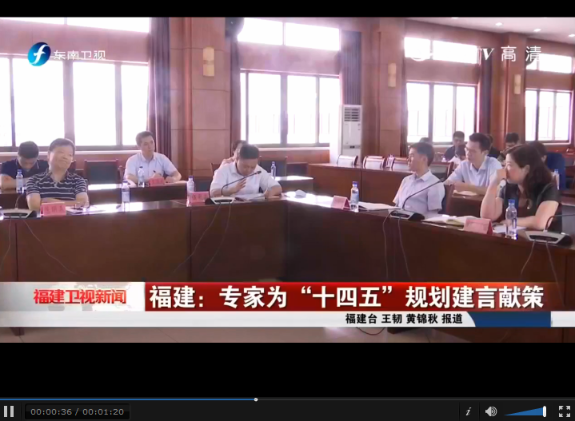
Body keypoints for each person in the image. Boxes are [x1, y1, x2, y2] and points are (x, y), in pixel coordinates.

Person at [481, 144, 561, 232]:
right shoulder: (508, 188)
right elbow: (487, 216)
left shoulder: (549, 189)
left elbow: (541, 223)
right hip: (513, 238)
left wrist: (511, 221)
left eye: (509, 165)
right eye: (504, 165)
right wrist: (494, 183)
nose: (505, 170)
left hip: (542, 239)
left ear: (526, 169)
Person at [26, 138, 89, 211]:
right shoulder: (34, 180)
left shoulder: (78, 181)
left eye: (70, 155)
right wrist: (72, 204)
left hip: (71, 218)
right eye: (61, 152)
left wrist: (49, 202)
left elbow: (83, 203)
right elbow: (35, 207)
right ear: (49, 154)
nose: (65, 157)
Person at [210, 145, 282, 198]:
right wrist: (229, 191)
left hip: (252, 208)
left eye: (252, 167)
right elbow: (213, 192)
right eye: (245, 166)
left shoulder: (258, 170)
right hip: (229, 209)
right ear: (237, 159)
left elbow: (277, 187)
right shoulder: (223, 170)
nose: (249, 170)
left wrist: (270, 193)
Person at [393, 142, 445, 216]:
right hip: (399, 220)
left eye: (412, 156)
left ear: (424, 159)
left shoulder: (435, 184)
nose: (408, 159)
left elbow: (433, 215)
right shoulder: (406, 180)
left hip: (417, 222)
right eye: (408, 156)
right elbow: (396, 205)